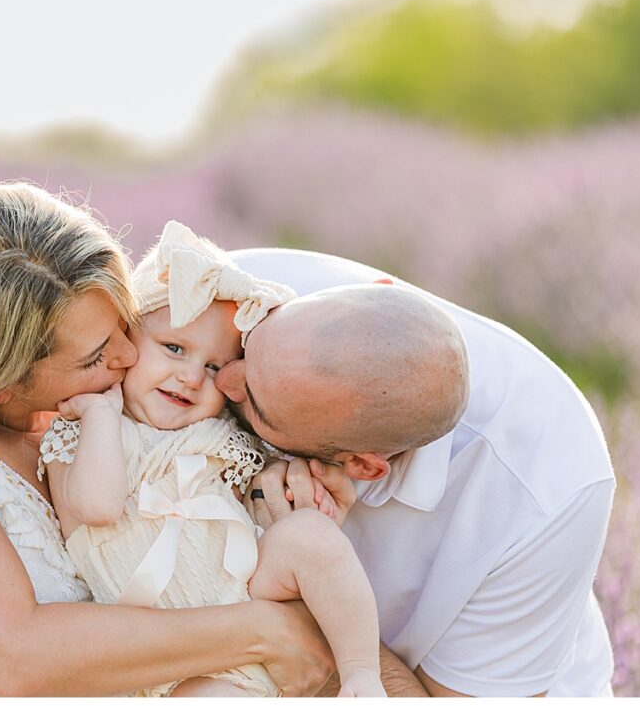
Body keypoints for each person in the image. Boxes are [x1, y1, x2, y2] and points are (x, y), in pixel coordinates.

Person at [0, 183, 354, 698]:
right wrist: (261, 632)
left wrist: (268, 489)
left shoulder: (93, 407)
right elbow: (13, 655)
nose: (128, 358)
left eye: (126, 328)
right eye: (96, 356)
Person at [217, 247, 616, 697]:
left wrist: (309, 581)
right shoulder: (244, 289)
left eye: (255, 403)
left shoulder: (547, 490)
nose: (218, 379)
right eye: (250, 345)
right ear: (379, 292)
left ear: (362, 465)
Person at [38, 221, 385, 697]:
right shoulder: (84, 427)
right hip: (173, 651)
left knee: (312, 538)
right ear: (125, 342)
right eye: (174, 348)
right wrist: (102, 413)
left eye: (214, 366)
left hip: (244, 590)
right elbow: (97, 508)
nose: (190, 377)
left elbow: (263, 501)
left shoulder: (219, 433)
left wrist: (295, 489)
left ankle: (363, 677)